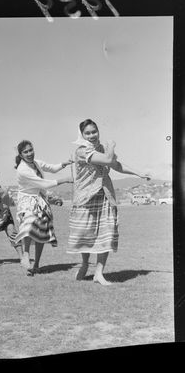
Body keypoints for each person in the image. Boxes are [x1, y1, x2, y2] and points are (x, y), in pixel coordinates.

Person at [67, 119, 150, 285]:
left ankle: (99, 273)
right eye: (87, 133)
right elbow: (107, 159)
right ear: (82, 135)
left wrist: (138, 173)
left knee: (106, 233)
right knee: (86, 234)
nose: (92, 135)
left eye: (94, 131)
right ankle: (84, 264)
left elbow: (115, 164)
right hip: (86, 197)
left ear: (98, 131)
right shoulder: (82, 151)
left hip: (104, 194)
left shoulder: (102, 149)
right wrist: (111, 145)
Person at [14, 140, 73, 276]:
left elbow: (51, 167)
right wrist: (64, 179)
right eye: (26, 152)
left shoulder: (36, 163)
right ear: (21, 155)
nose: (29, 153)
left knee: (41, 232)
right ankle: (26, 255)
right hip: (27, 201)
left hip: (40, 200)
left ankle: (36, 265)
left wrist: (64, 164)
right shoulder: (22, 170)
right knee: (28, 225)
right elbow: (43, 184)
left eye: (31, 150)